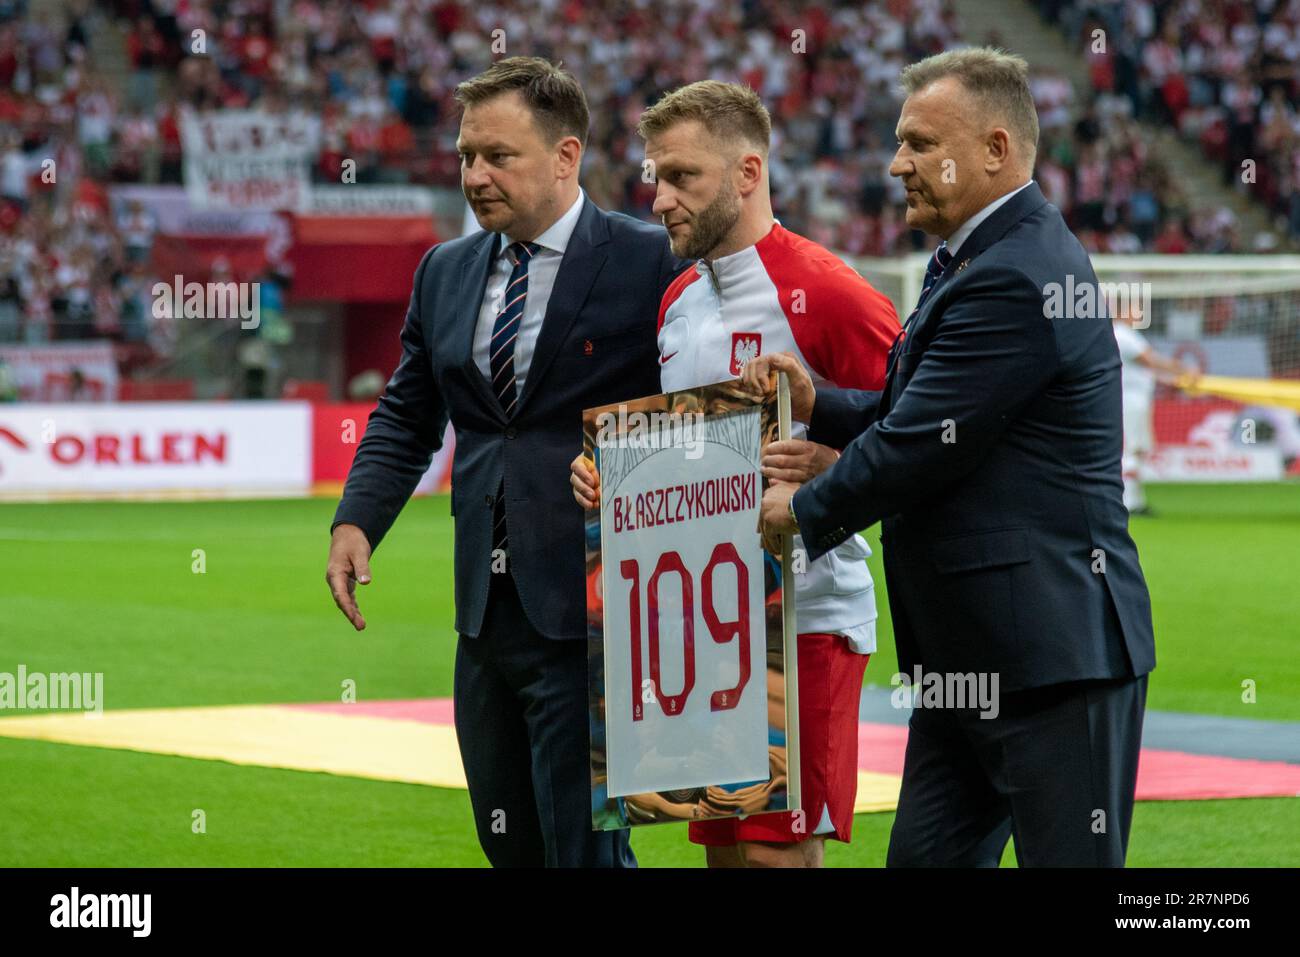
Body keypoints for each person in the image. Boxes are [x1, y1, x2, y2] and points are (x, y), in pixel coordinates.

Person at [746, 48, 1156, 867]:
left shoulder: (1016, 273)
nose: (895, 163)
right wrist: (820, 402)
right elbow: (923, 419)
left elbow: (919, 447)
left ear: (995, 150)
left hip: (1051, 658)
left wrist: (806, 510)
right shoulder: (976, 259)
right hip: (970, 663)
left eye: (917, 142)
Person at [327, 57, 685, 868]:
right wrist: (357, 518)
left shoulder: (647, 260)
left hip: (596, 614)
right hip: (483, 619)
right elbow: (407, 413)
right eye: (465, 156)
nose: (475, 175)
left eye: (498, 156)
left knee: (585, 854)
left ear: (565, 157)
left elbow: (696, 408)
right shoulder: (444, 270)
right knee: (510, 847)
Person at [570, 81, 899, 867]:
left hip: (808, 618)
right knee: (725, 850)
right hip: (703, 629)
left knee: (775, 855)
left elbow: (923, 438)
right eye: (656, 177)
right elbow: (688, 461)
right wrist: (612, 476)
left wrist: (831, 469)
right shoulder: (679, 300)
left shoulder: (829, 290)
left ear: (748, 173)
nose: (660, 200)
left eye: (683, 177)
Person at [1111, 299, 1197, 514]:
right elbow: (1151, 360)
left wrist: (1176, 380)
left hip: (1135, 399)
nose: (1138, 313)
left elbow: (1146, 371)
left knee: (1137, 449)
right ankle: (1128, 503)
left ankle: (1136, 501)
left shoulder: (1121, 334)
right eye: (1134, 308)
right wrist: (1183, 369)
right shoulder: (1123, 334)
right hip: (1130, 401)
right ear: (1123, 311)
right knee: (1130, 449)